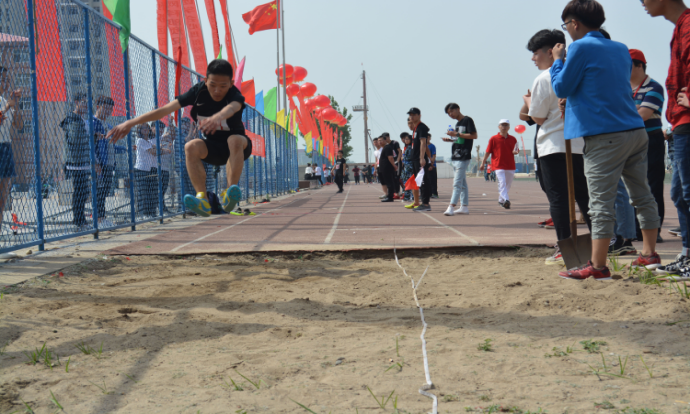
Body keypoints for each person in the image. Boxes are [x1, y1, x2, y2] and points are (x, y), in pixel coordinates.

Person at [553, 0, 660, 280]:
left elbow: (562, 86)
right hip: (635, 130)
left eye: (566, 25)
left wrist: (557, 62)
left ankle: (597, 266)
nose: (567, 31)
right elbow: (602, 85)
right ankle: (649, 253)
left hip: (604, 134)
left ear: (574, 23)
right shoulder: (620, 48)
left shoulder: (580, 46)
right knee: (642, 194)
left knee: (600, 201)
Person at [108, 59, 251, 218]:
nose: (217, 90)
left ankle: (230, 194)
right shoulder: (197, 92)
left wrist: (218, 117)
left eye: (223, 86)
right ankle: (202, 199)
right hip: (213, 148)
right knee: (190, 146)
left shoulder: (235, 94)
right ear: (205, 81)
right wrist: (131, 122)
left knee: (234, 140)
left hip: (239, 147)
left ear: (231, 83)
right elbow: (164, 110)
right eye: (213, 85)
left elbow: (233, 107)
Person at [522, 28, 591, 265]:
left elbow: (538, 118)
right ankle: (598, 246)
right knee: (585, 197)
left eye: (535, 53)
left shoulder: (544, 78)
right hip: (579, 145)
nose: (533, 58)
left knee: (559, 199)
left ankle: (565, 245)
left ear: (551, 52)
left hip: (552, 146)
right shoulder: (579, 74)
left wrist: (529, 104)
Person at [643, 0, 690, 278]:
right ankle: (686, 254)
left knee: (686, 193)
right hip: (680, 124)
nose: (643, 4)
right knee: (680, 193)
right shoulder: (680, 27)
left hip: (686, 122)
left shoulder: (687, 25)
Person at [629, 49, 667, 243]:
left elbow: (642, 115)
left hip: (652, 139)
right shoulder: (621, 87)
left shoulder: (655, 87)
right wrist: (635, 108)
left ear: (639, 65)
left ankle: (654, 229)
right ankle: (634, 229)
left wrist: (627, 109)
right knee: (631, 185)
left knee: (652, 185)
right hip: (629, 139)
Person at [60, 92, 97, 231]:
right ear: (76, 102)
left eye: (88, 103)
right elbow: (75, 139)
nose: (86, 105)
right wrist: (91, 137)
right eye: (83, 102)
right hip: (75, 161)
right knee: (80, 191)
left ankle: (80, 219)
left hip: (83, 160)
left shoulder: (82, 119)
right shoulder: (72, 118)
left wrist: (92, 136)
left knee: (83, 191)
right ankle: (78, 220)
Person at [442, 103, 477, 216]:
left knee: (456, 183)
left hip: (463, 156)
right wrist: (451, 139)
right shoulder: (457, 124)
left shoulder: (468, 120)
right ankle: (464, 207)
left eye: (451, 111)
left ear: (458, 109)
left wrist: (456, 133)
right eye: (448, 113)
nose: (450, 114)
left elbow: (474, 136)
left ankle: (451, 206)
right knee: (462, 184)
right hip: (455, 155)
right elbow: (460, 138)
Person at [0, 67, 23, 236]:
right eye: (3, 79)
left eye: (7, 80)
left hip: (5, 146)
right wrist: (8, 106)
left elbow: (19, 125)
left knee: (3, 194)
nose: (6, 83)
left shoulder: (4, 100)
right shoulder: (4, 103)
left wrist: (16, 106)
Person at [480, 120, 519, 209]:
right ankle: (506, 200)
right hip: (498, 165)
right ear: (499, 127)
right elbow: (487, 152)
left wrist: (515, 152)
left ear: (509, 127)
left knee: (508, 184)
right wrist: (483, 163)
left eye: (506, 125)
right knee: (502, 183)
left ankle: (501, 200)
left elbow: (516, 149)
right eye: (502, 125)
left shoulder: (513, 139)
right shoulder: (493, 138)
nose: (504, 127)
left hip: (510, 165)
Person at [93, 96, 117, 228]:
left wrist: (125, 148)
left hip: (109, 164)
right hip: (100, 163)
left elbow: (111, 146)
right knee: (99, 192)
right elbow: (92, 145)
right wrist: (96, 162)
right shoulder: (93, 122)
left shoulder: (108, 125)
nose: (108, 110)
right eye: (106, 107)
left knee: (105, 191)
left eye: (110, 108)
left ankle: (102, 218)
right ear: (98, 107)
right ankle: (99, 220)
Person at [407, 108, 432, 212]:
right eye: (410, 115)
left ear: (419, 115)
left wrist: (422, 158)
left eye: (414, 115)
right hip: (414, 159)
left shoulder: (422, 128)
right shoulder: (415, 128)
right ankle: (422, 203)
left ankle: (426, 204)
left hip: (419, 159)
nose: (411, 117)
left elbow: (423, 143)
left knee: (423, 181)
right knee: (418, 181)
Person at [134, 123, 159, 218]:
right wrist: (159, 149)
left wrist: (160, 149)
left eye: (147, 128)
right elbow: (153, 152)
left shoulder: (148, 142)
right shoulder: (140, 140)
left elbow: (155, 150)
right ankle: (143, 214)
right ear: (139, 131)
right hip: (141, 169)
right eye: (143, 128)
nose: (145, 129)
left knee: (151, 192)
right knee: (143, 193)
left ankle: (150, 213)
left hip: (148, 169)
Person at [379, 134, 399, 202]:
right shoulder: (385, 148)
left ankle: (390, 197)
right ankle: (389, 196)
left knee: (389, 182)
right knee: (387, 182)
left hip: (387, 168)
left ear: (385, 140)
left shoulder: (387, 147)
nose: (379, 142)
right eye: (378, 140)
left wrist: (394, 165)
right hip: (384, 168)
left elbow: (390, 157)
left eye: (381, 140)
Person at [400, 133, 415, 202]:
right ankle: (407, 196)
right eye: (405, 139)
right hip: (406, 167)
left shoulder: (411, 147)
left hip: (410, 167)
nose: (405, 140)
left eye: (407, 139)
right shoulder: (407, 147)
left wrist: (404, 158)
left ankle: (410, 197)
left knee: (409, 182)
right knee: (406, 182)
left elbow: (410, 157)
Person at [427, 133, 438, 199]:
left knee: (433, 180)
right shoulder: (422, 146)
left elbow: (434, 155)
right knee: (427, 180)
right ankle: (429, 193)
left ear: (430, 138)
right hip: (425, 165)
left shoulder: (432, 146)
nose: (427, 139)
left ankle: (435, 193)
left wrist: (432, 164)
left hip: (432, 165)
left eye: (428, 138)